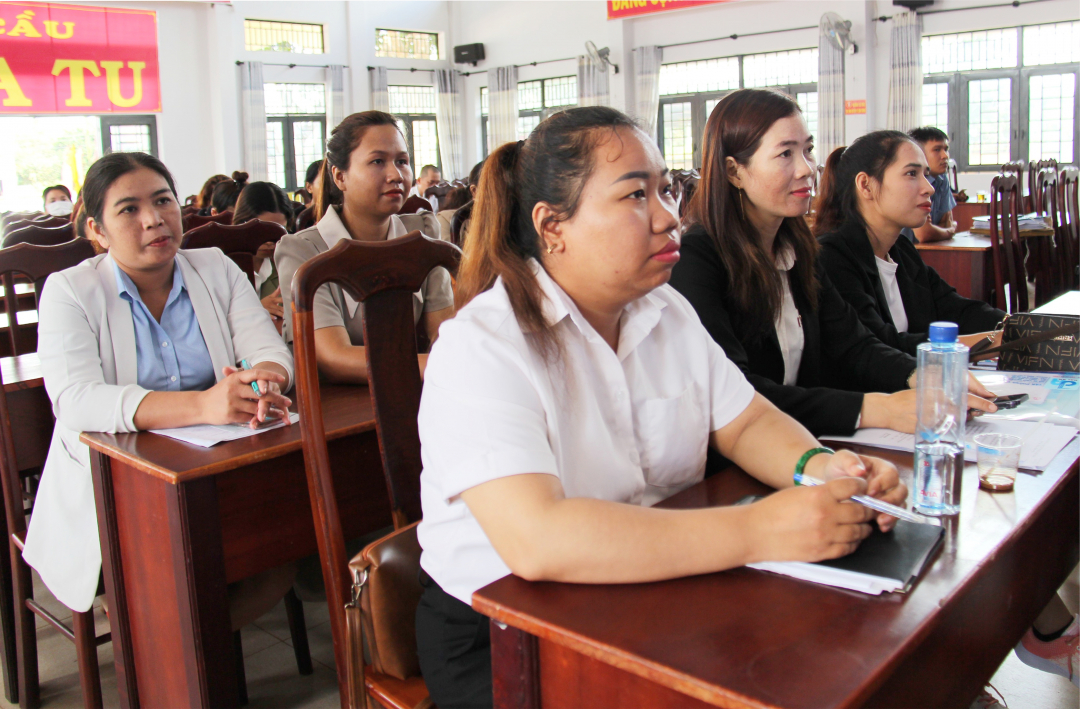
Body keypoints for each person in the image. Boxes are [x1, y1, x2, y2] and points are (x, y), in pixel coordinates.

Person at [415, 106, 908, 709]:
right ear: (552, 226)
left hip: (651, 587)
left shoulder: (666, 312)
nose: (669, 217)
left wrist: (825, 468)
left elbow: (746, 420)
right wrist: (758, 530)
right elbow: (538, 539)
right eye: (634, 196)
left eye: (666, 190)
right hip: (508, 631)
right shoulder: (484, 346)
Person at [21, 152, 293, 613]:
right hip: (115, 489)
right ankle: (164, 641)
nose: (154, 219)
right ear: (96, 230)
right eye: (128, 209)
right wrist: (205, 406)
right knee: (176, 575)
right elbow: (78, 401)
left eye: (163, 200)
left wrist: (265, 380)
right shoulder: (70, 291)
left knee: (282, 540)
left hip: (217, 470)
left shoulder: (215, 268)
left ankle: (179, 639)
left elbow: (268, 350)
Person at [667, 89, 995, 440]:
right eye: (785, 154)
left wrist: (927, 375)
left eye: (808, 150)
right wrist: (876, 409)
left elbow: (854, 346)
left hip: (805, 442)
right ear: (734, 172)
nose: (807, 169)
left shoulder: (798, 251)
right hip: (739, 462)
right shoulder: (698, 260)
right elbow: (736, 391)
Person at [275, 111, 455, 384]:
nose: (396, 174)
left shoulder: (422, 233)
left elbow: (442, 333)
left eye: (402, 161)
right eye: (377, 161)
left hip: (417, 392)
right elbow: (334, 357)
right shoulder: (302, 250)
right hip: (339, 409)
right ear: (340, 177)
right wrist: (448, 364)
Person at [814, 132, 1005, 356]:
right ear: (865, 185)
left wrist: (1016, 325)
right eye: (911, 174)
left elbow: (956, 309)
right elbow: (880, 347)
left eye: (925, 174)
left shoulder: (901, 250)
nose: (929, 188)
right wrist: (992, 342)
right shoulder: (833, 257)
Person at [233, 181, 297, 327]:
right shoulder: (223, 263)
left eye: (277, 231)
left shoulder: (288, 261)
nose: (270, 242)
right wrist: (256, 309)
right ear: (241, 223)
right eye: (261, 231)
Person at [898, 127, 956, 244]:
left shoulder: (942, 178)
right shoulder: (910, 181)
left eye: (946, 149)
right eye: (937, 150)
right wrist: (950, 231)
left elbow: (946, 221)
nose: (945, 156)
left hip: (927, 251)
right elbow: (924, 234)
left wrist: (943, 230)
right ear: (919, 153)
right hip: (899, 253)